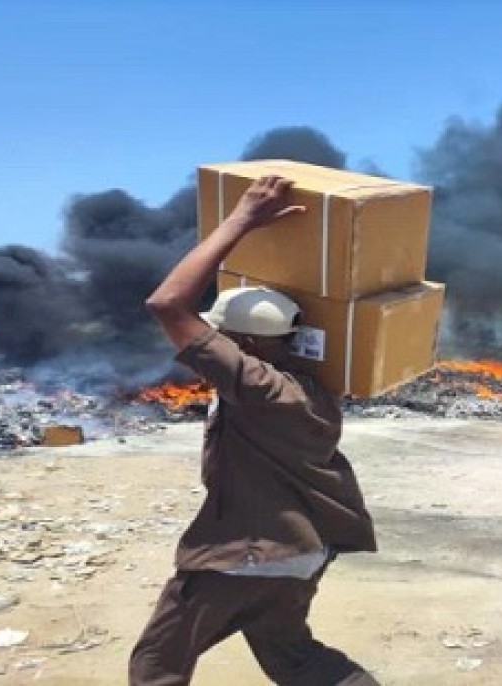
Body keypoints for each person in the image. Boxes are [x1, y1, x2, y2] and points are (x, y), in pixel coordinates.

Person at [130, 175, 380, 685]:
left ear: (245, 342)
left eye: (222, 336)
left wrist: (243, 219)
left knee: (157, 665)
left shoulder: (259, 385)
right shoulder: (312, 387)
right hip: (301, 553)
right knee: (295, 658)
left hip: (246, 556)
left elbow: (166, 304)